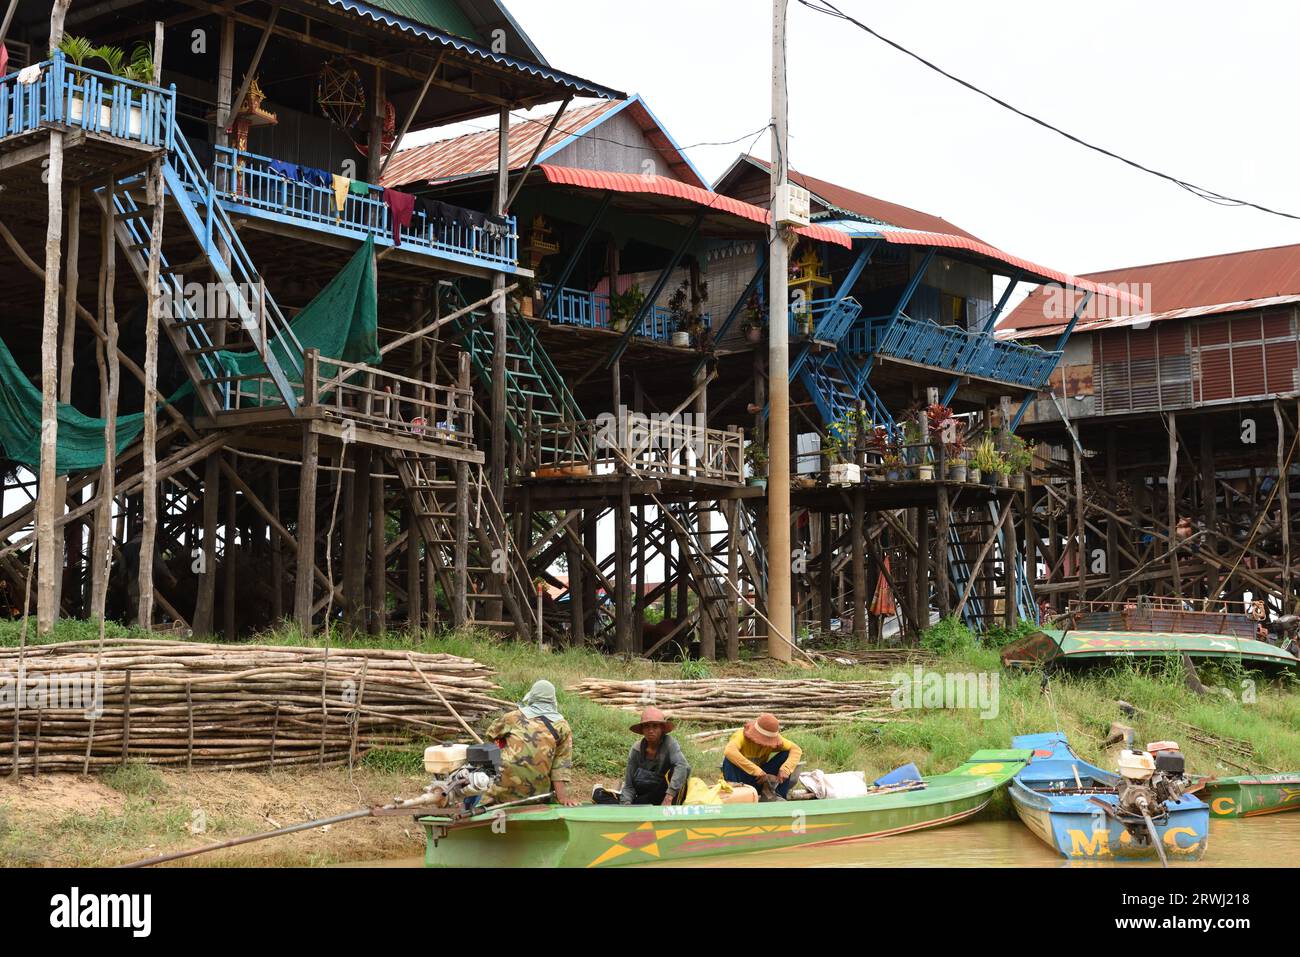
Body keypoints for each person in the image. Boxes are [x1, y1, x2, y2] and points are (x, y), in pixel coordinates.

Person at [480, 680, 578, 807]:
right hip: (537, 796)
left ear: (532, 697)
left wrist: (503, 744)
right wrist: (563, 798)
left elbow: (491, 735)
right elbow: (560, 768)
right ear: (553, 700)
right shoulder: (562, 726)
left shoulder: (512, 717)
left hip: (501, 793)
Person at [592, 706, 690, 806]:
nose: (651, 730)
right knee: (599, 795)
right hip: (646, 798)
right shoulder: (636, 750)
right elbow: (629, 785)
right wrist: (626, 804)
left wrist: (668, 797)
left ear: (661, 729)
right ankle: (638, 808)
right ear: (642, 730)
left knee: (680, 770)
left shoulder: (670, 744)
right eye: (647, 726)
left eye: (655, 726)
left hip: (666, 796)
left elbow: (682, 767)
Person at [721, 712, 802, 800]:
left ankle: (779, 796)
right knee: (729, 758)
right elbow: (729, 751)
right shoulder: (740, 736)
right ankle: (735, 796)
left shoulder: (775, 741)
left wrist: (786, 769)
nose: (764, 744)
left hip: (760, 780)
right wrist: (756, 770)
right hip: (740, 779)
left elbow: (796, 749)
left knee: (786, 754)